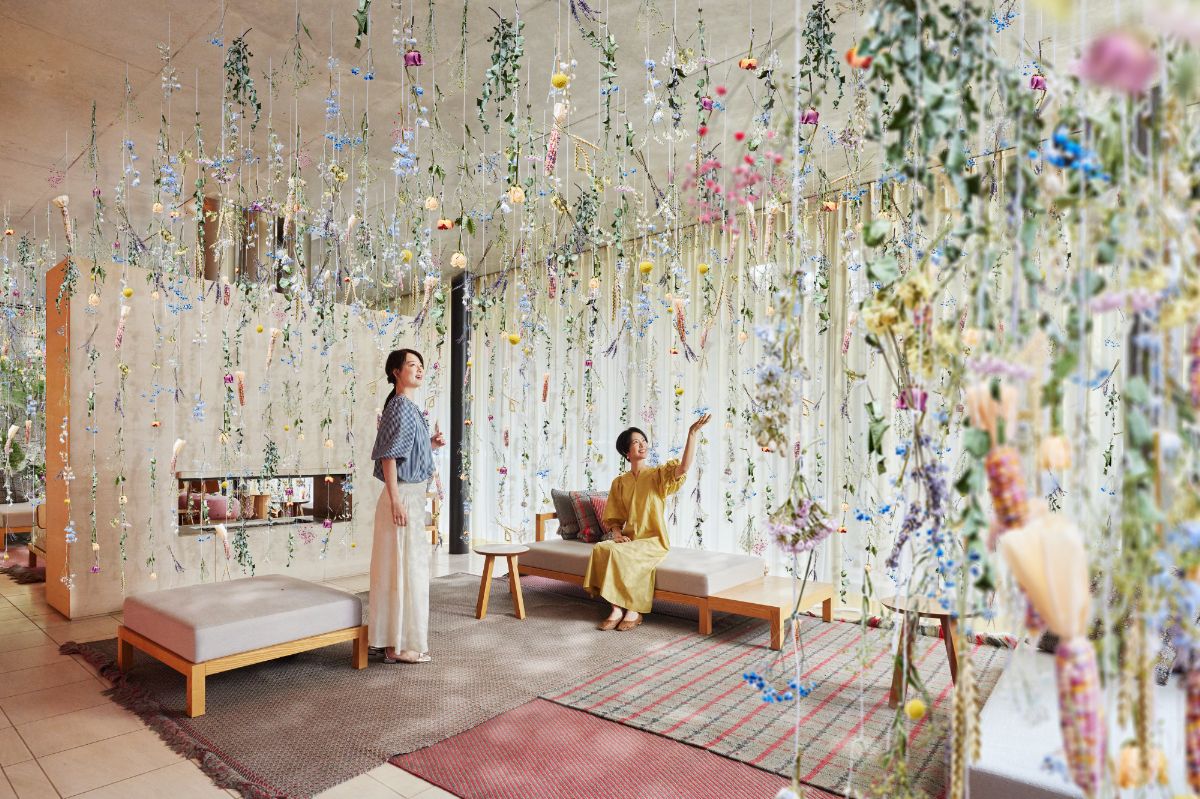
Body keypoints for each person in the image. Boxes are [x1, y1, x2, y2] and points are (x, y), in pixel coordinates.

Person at [583, 413, 712, 631]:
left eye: (644, 441)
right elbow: (615, 516)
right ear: (627, 452)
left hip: (653, 541)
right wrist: (616, 534)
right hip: (631, 539)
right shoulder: (620, 482)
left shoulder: (658, 475)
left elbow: (683, 468)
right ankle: (616, 609)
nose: (642, 445)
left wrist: (692, 434)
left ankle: (634, 609)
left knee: (619, 553)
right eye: (636, 442)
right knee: (602, 548)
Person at [369, 348, 445, 663]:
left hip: (406, 496)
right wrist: (396, 500)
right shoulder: (401, 406)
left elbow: (403, 452)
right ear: (396, 372)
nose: (419, 369)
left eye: (421, 365)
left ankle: (393, 642)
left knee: (402, 570)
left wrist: (429, 445)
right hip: (402, 498)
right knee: (406, 572)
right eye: (412, 364)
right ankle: (398, 647)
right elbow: (388, 457)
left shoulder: (406, 407)